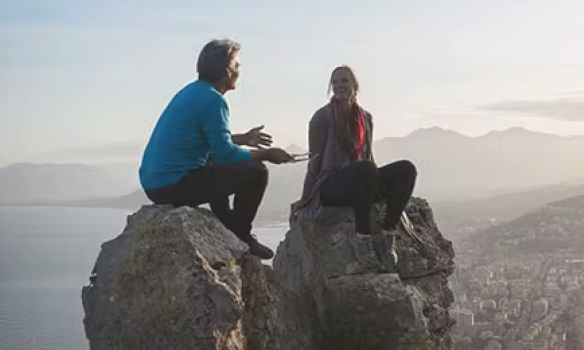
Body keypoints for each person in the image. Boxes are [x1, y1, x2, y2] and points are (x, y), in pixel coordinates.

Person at [139, 39, 295, 259]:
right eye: (237, 65)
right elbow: (225, 154)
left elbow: (205, 140)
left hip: (155, 184)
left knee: (213, 163)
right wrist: (267, 154)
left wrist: (243, 138)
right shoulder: (214, 100)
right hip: (173, 185)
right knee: (256, 171)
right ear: (227, 71)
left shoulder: (192, 92)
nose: (240, 70)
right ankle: (241, 234)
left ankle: (226, 222)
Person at [291, 65, 418, 268]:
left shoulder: (365, 118)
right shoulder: (321, 117)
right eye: (335, 82)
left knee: (406, 169)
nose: (339, 86)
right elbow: (314, 160)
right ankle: (363, 237)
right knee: (365, 169)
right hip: (331, 185)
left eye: (344, 81)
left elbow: (367, 154)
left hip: (360, 179)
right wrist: (306, 198)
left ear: (355, 85)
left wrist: (379, 181)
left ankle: (388, 233)